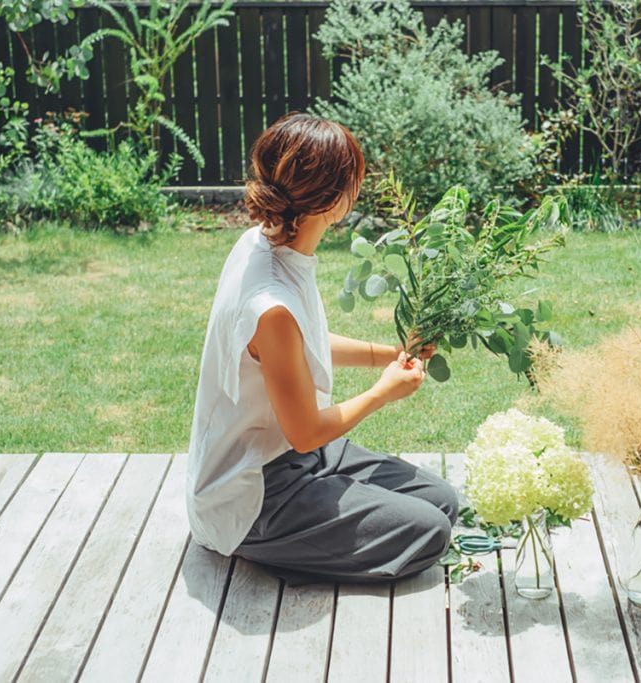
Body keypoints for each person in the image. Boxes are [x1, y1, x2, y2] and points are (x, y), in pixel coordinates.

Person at [186, 112, 459, 586]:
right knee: (429, 533)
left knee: (443, 502)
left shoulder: (263, 245)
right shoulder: (271, 306)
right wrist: (382, 391)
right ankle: (270, 546)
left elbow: (296, 349)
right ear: (334, 202)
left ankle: (319, 522)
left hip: (299, 460)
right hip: (253, 493)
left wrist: (389, 351)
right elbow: (308, 431)